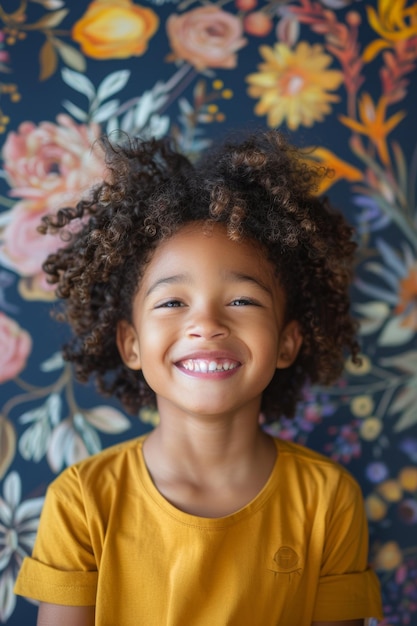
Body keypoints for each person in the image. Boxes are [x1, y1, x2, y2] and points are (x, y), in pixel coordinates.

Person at [14, 129, 383, 626]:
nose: (207, 324)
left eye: (242, 301)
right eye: (172, 302)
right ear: (131, 344)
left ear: (288, 342)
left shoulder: (328, 499)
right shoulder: (82, 499)